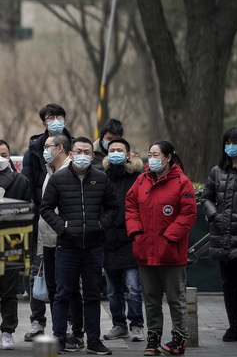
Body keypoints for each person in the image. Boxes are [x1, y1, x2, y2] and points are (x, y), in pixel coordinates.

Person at [39, 137, 119, 355]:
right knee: (62, 293)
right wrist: (62, 227)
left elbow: (113, 208)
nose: (83, 155)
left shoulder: (101, 179)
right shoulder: (59, 179)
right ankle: (59, 340)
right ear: (71, 154)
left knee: (92, 295)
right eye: (79, 151)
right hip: (67, 247)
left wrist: (101, 224)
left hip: (93, 247)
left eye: (87, 152)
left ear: (92, 156)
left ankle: (93, 340)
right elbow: (45, 208)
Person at [126, 141, 197, 356]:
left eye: (156, 154)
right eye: (150, 154)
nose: (152, 158)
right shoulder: (141, 180)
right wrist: (137, 233)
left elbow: (188, 214)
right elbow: (130, 207)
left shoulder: (182, 182)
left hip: (171, 252)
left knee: (176, 299)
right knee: (151, 298)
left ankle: (179, 339)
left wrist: (168, 237)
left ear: (167, 158)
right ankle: (153, 338)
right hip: (145, 251)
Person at [22, 103, 73, 341]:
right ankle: (37, 321)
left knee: (69, 277)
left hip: (66, 222)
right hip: (40, 221)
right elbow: (28, 185)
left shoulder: (73, 146)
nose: (55, 120)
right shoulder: (35, 149)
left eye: (58, 116)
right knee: (38, 273)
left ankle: (69, 323)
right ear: (43, 122)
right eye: (49, 117)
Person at [36, 134, 86, 353]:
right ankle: (61, 330)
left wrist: (63, 229)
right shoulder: (50, 171)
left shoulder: (70, 170)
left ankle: (76, 333)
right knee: (55, 288)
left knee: (71, 289)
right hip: (48, 240)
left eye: (48, 146)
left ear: (61, 148)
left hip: (66, 239)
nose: (45, 150)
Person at [0, 139, 31, 350]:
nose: (0, 159)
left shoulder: (21, 181)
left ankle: (8, 331)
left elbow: (28, 212)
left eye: (4, 154)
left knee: (10, 291)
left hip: (11, 242)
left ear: (10, 156)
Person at [201, 126, 237, 343]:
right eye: (227, 143)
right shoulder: (217, 171)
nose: (231, 147)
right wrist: (214, 214)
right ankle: (233, 326)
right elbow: (206, 197)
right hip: (222, 236)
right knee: (229, 285)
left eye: (235, 142)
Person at [101, 138, 145, 342]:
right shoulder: (101, 177)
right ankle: (119, 325)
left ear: (128, 154)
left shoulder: (139, 177)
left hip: (130, 240)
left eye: (120, 150)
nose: (116, 153)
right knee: (112, 290)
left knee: (134, 288)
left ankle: (137, 325)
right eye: (112, 150)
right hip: (108, 240)